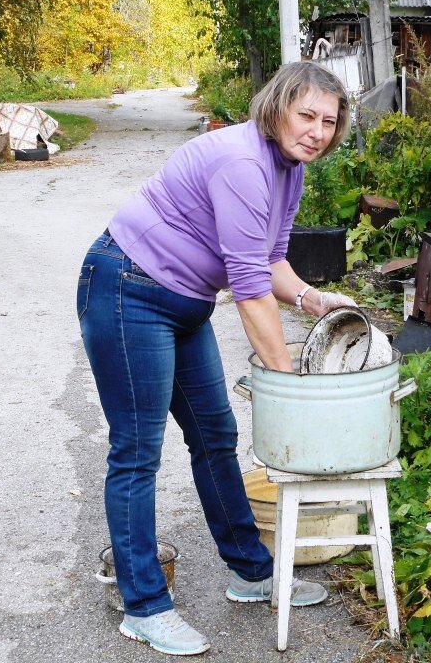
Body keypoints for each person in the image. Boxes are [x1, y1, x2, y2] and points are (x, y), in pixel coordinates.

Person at [77, 62, 356, 656]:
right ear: (277, 107)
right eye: (306, 115)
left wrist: (311, 297)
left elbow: (270, 257)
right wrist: (287, 380)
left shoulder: (288, 172)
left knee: (214, 435)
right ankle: (145, 606)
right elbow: (249, 284)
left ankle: (251, 573)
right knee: (137, 450)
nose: (317, 131)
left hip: (184, 305)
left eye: (329, 122)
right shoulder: (242, 161)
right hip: (128, 289)